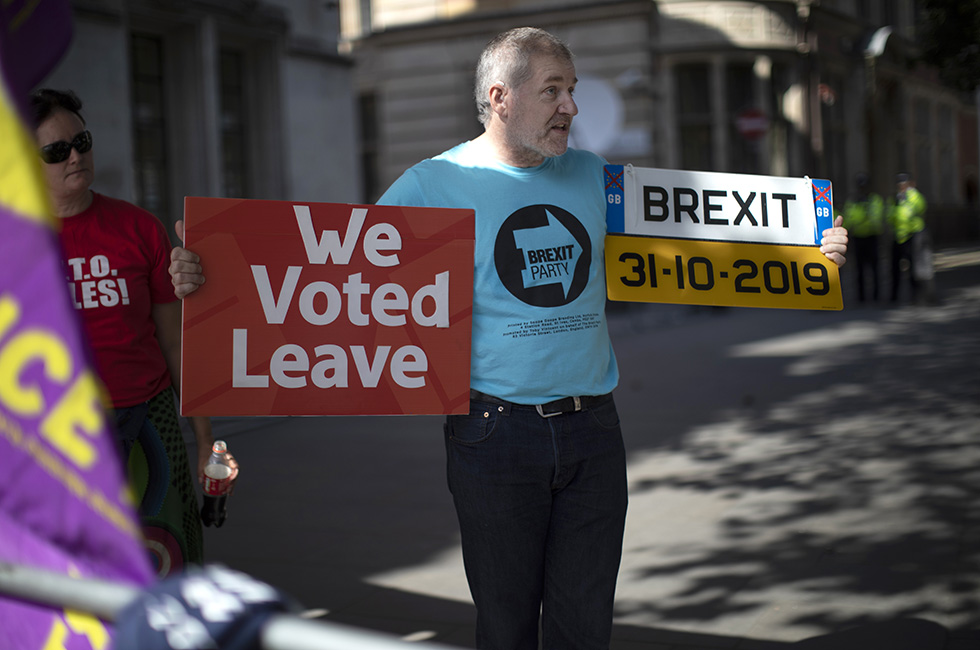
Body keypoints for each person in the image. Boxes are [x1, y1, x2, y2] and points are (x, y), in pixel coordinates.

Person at [168, 27, 848, 649]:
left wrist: (808, 251)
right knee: (506, 626)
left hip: (594, 433)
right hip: (493, 438)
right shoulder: (434, 184)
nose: (570, 107)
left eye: (571, 90)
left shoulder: (594, 175)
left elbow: (705, 237)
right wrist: (210, 274)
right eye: (553, 91)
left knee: (585, 627)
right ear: (500, 97)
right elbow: (332, 280)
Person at [31, 88, 237, 577]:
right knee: (72, 574)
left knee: (163, 558)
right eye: (57, 151)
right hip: (56, 432)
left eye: (81, 141)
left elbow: (175, 343)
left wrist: (206, 440)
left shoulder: (139, 228)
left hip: (149, 416)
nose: (75, 156)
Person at [842, 173, 884, 303]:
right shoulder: (853, 201)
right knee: (859, 269)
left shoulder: (874, 200)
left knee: (874, 268)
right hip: (858, 237)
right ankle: (861, 297)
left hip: (872, 236)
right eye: (861, 186)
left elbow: (876, 219)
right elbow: (848, 219)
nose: (863, 189)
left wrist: (861, 216)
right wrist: (862, 217)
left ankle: (876, 296)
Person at [886, 172, 927, 303]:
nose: (902, 187)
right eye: (900, 184)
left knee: (913, 267)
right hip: (898, 236)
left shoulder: (914, 196)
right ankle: (894, 296)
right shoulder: (895, 198)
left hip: (912, 235)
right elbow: (890, 215)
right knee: (894, 268)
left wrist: (909, 195)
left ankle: (915, 295)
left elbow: (920, 207)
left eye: (904, 184)